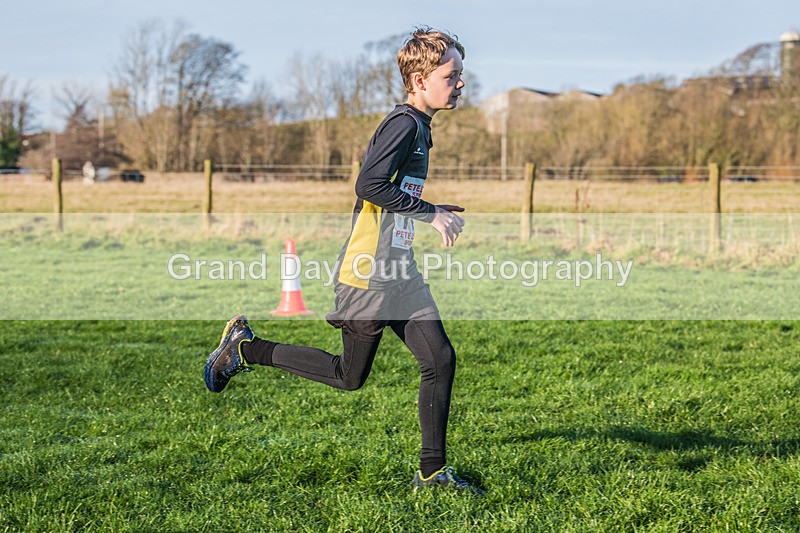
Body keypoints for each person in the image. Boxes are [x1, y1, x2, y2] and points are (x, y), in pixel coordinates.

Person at [204, 27, 485, 495]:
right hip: (368, 274)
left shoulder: (418, 126)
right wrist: (429, 213)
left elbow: (390, 194)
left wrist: (425, 209)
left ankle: (432, 474)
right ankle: (244, 348)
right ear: (419, 79)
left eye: (460, 74)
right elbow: (369, 185)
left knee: (440, 358)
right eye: (451, 75)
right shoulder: (403, 124)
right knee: (348, 376)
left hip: (399, 269)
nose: (460, 83)